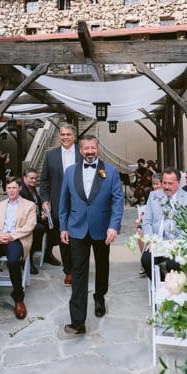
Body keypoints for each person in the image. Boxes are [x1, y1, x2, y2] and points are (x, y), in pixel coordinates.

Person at [59, 133, 124, 335]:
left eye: (93, 148)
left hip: (103, 229)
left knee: (102, 266)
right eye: (86, 148)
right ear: (80, 150)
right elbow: (64, 202)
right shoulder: (70, 172)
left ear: (98, 148)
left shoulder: (111, 172)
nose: (89, 152)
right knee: (78, 272)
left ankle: (99, 296)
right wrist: (63, 226)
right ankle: (78, 322)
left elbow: (117, 201)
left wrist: (114, 226)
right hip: (77, 228)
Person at [0, 176, 37, 320]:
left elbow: (30, 226)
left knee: (13, 261)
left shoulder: (29, 205)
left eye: (14, 187)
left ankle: (18, 298)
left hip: (16, 239)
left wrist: (11, 236)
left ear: (20, 188)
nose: (11, 190)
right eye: (8, 188)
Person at [140, 168, 187, 279]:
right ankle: (160, 284)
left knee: (173, 263)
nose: (166, 186)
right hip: (157, 241)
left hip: (178, 243)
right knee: (146, 260)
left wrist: (180, 243)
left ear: (178, 183)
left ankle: (172, 286)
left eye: (170, 183)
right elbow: (147, 222)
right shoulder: (153, 196)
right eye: (164, 183)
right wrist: (151, 239)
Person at [39, 123, 80, 282]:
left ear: (74, 136)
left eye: (68, 134)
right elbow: (44, 181)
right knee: (64, 239)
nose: (65, 137)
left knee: (79, 238)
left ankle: (78, 268)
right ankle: (68, 271)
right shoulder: (51, 155)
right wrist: (44, 200)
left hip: (80, 204)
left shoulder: (82, 153)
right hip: (58, 204)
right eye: (62, 134)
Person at [19, 168, 50, 271]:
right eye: (31, 178)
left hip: (36, 217)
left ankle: (47, 252)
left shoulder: (32, 189)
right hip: (26, 221)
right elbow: (26, 212)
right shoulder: (22, 191)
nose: (34, 180)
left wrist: (44, 206)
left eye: (35, 178)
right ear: (24, 178)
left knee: (53, 223)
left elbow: (38, 201)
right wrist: (41, 218)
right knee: (39, 228)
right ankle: (27, 259)